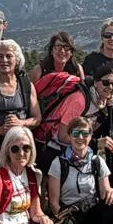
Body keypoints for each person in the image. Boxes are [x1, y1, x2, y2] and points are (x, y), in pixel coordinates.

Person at [45, 116, 113, 224]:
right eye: (76, 133)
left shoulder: (97, 161)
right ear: (69, 136)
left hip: (90, 210)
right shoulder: (58, 163)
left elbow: (105, 191)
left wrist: (111, 192)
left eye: (85, 133)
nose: (80, 138)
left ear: (91, 136)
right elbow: (53, 203)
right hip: (68, 217)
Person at [0, 39, 42, 159]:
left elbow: (37, 118)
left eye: (9, 56)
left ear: (17, 60)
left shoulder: (26, 86)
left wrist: (21, 123)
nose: (4, 60)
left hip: (20, 152)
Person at [31, 32, 89, 162]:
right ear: (51, 50)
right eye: (58, 47)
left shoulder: (77, 70)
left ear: (71, 52)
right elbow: (31, 99)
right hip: (42, 129)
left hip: (66, 128)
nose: (62, 51)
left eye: (66, 47)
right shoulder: (40, 70)